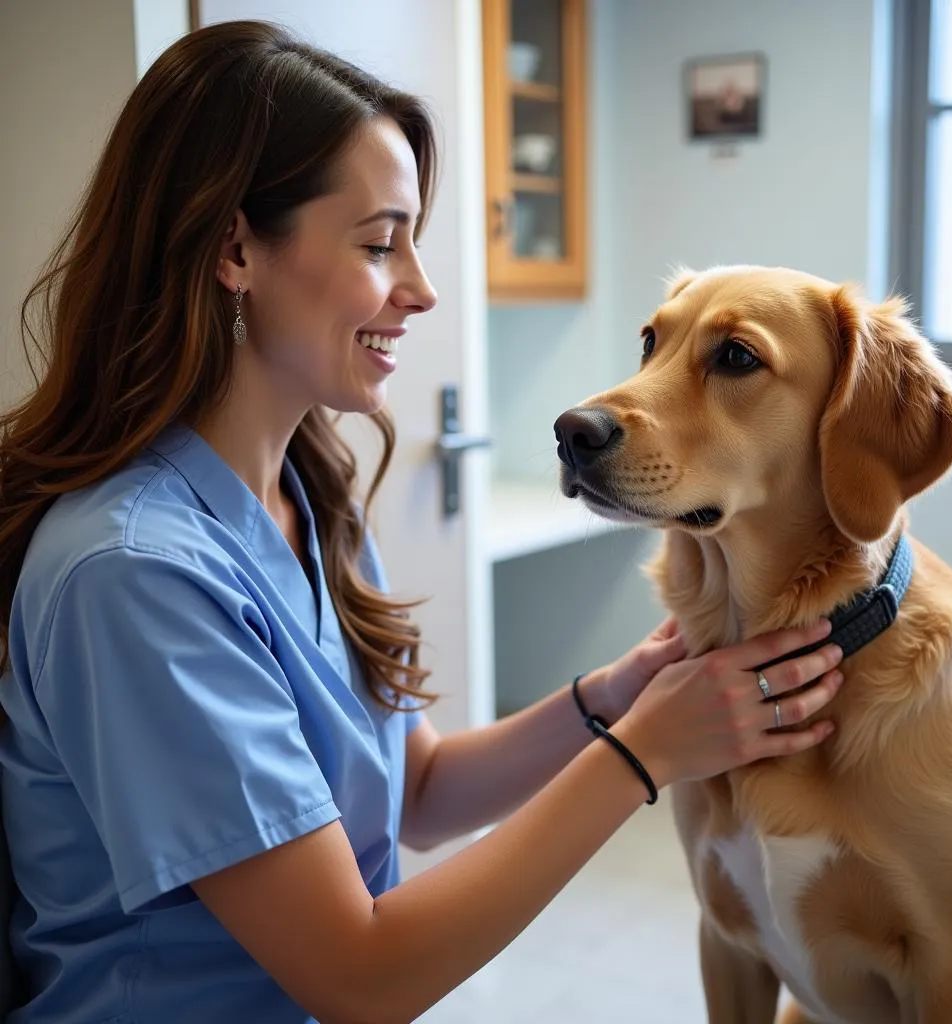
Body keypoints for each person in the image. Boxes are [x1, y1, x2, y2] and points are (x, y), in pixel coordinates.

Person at [0, 20, 845, 1024]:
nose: (422, 288)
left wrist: (613, 698)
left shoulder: (303, 500)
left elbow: (421, 790)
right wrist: (641, 758)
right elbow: (360, 976)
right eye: (379, 242)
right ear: (234, 247)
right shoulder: (131, 573)